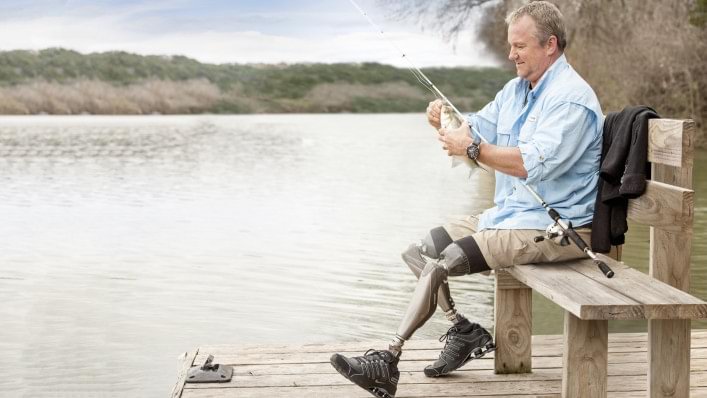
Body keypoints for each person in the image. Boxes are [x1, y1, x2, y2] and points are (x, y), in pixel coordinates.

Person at [330, 2, 604, 397]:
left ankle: (387, 361)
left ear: (550, 45)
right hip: (508, 216)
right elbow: (476, 128)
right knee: (418, 252)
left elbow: (530, 163)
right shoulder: (515, 91)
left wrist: (472, 147)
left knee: (444, 263)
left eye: (519, 46)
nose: (511, 55)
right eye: (510, 46)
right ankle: (464, 331)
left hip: (555, 228)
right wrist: (447, 122)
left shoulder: (571, 100)